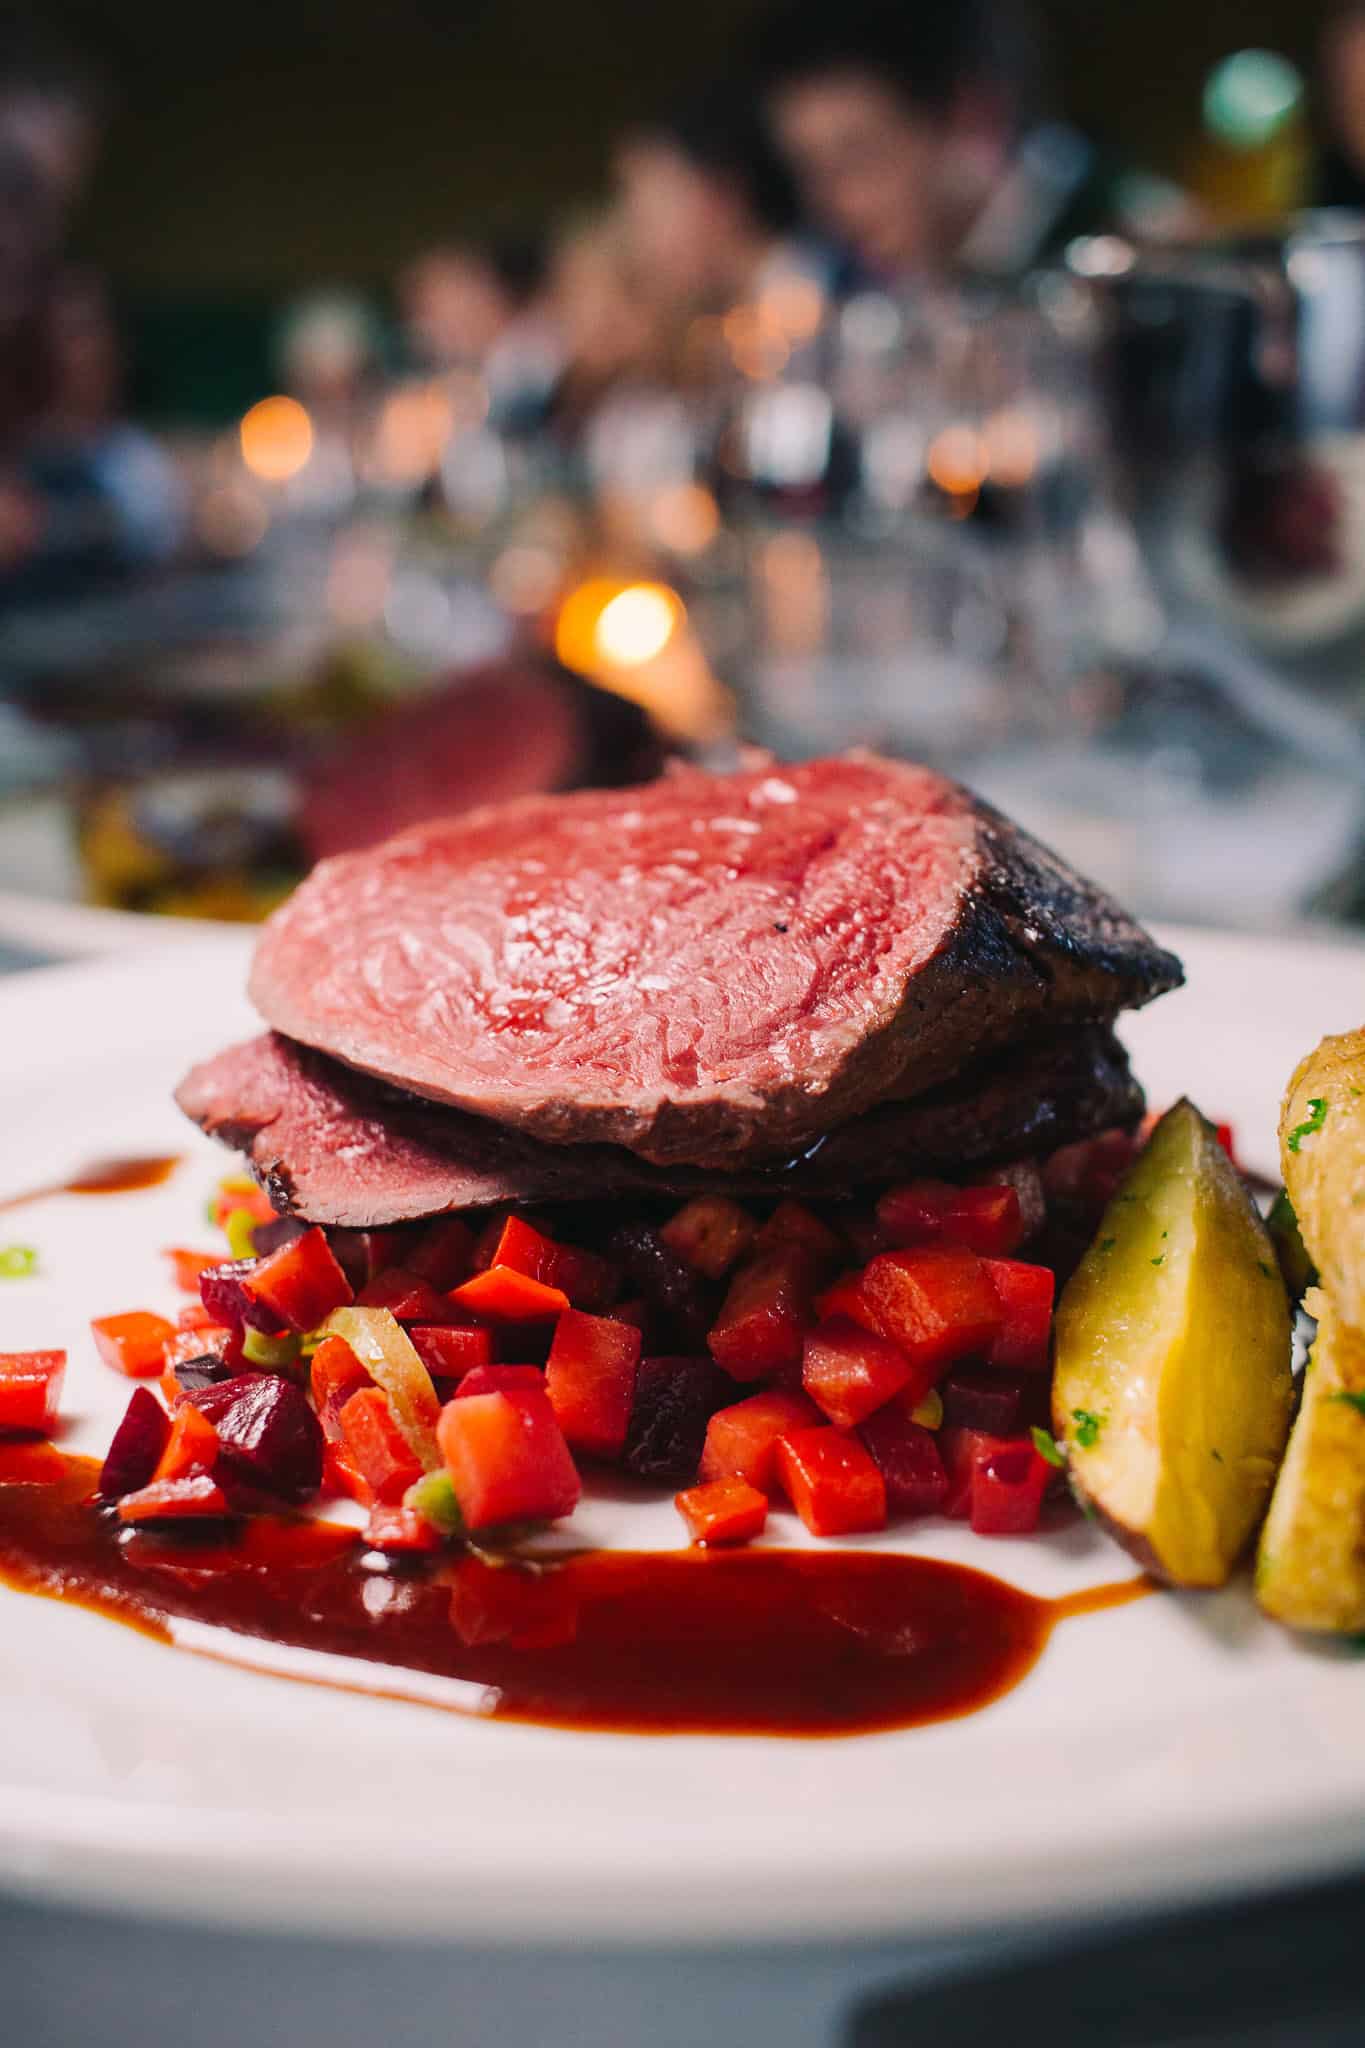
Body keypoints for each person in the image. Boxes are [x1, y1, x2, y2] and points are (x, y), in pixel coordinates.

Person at [751, 0, 1191, 286]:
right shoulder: (877, 280)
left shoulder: (1139, 248)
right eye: (809, 171)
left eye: (858, 159)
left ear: (972, 120)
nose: (834, 205)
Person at [613, 90, 816, 318]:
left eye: (650, 216)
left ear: (720, 195)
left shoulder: (827, 309)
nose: (642, 246)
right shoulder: (746, 321)